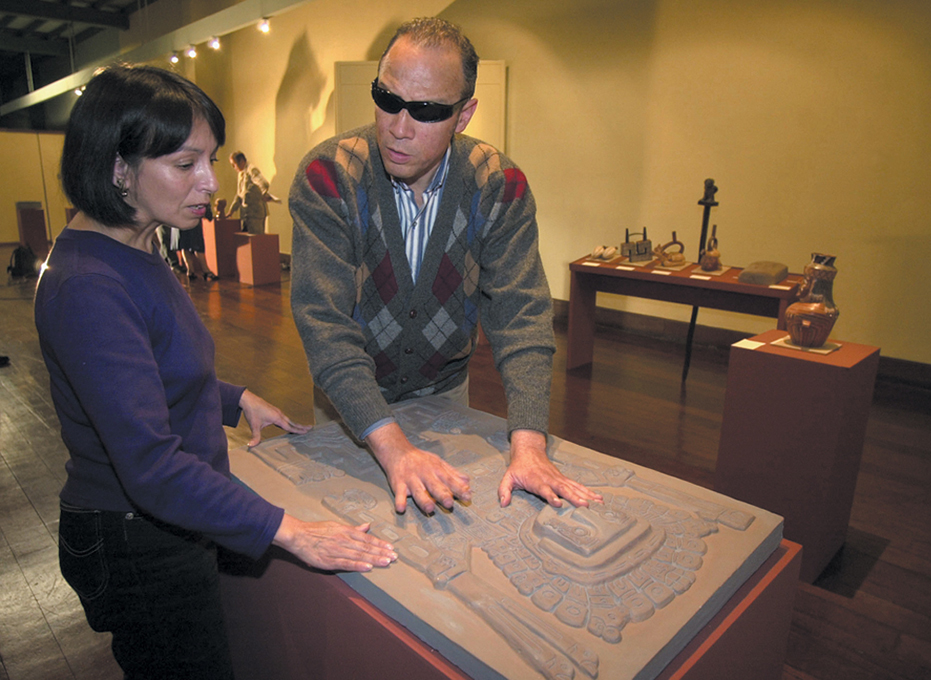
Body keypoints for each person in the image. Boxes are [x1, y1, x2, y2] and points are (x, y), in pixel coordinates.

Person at [35, 64, 397, 680]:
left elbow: (149, 372)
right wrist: (290, 530)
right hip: (133, 540)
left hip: (157, 524)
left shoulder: (134, 245)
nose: (207, 182)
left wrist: (233, 399)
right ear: (119, 168)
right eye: (184, 164)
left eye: (211, 160)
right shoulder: (88, 286)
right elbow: (149, 467)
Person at [290, 17, 602, 516]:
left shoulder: (498, 185)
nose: (398, 127)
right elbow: (324, 322)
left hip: (446, 390)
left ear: (464, 114)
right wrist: (392, 447)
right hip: (348, 403)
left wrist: (528, 445)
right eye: (387, 99)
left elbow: (520, 316)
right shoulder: (330, 177)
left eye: (427, 111)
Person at [225, 151, 271, 234]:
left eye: (234, 164)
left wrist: (262, 194)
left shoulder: (251, 170)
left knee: (256, 241)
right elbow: (239, 195)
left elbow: (264, 184)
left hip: (255, 214)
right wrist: (231, 211)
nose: (233, 167)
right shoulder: (240, 174)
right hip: (246, 214)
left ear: (241, 161)